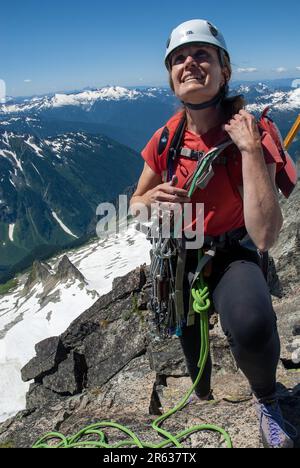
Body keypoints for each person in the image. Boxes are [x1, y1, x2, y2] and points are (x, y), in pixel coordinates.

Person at [130, 19, 294, 449]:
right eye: (179, 59)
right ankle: (202, 392)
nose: (190, 64)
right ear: (170, 76)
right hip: (179, 253)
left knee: (252, 324)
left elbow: (265, 236)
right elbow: (135, 204)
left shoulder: (256, 132)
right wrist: (151, 202)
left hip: (231, 248)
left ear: (225, 70)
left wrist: (250, 150)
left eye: (202, 55)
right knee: (192, 355)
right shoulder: (166, 138)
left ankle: (267, 400)